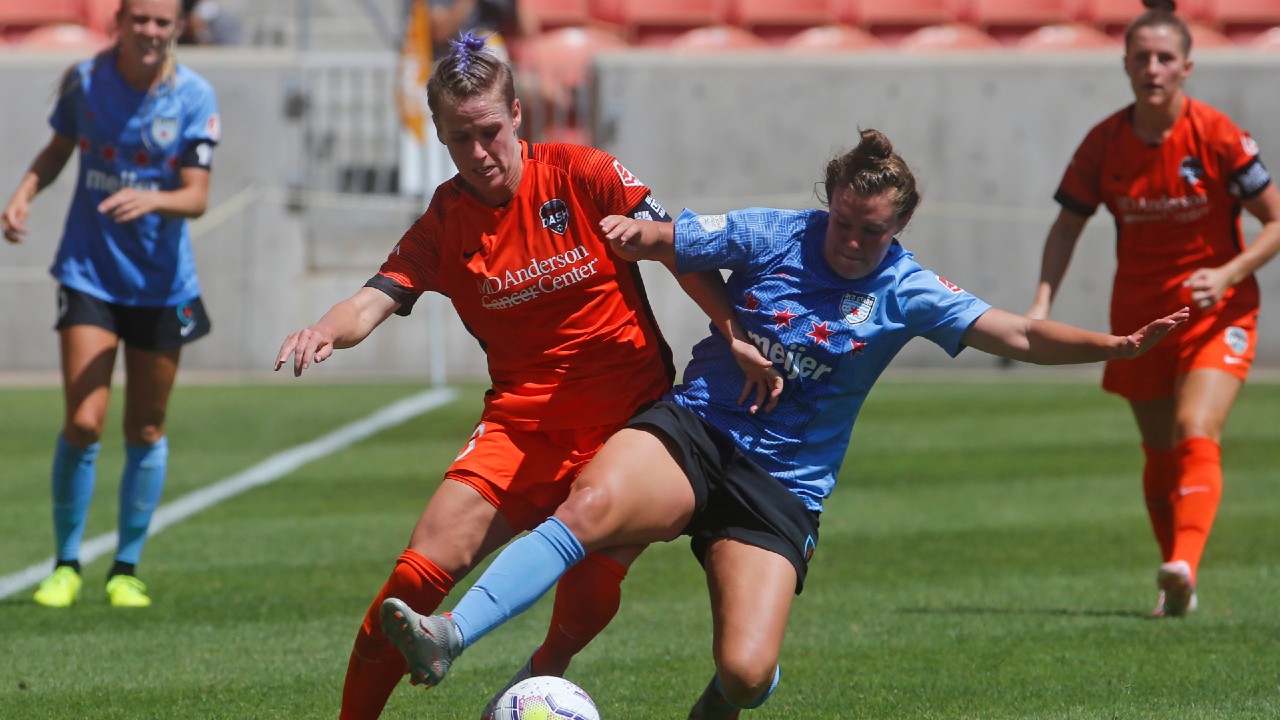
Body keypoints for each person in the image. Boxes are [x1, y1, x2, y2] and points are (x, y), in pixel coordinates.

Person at [377, 128, 1189, 719]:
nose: (852, 240)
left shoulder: (909, 289)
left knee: (743, 670)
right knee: (585, 509)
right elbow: (680, 238)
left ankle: (728, 700)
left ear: (897, 230)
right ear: (827, 203)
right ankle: (450, 635)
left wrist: (1111, 344)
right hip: (696, 434)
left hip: (781, 488)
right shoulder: (775, 233)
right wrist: (638, 234)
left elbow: (1015, 332)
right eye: (843, 220)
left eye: (872, 230)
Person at [273, 33, 773, 720]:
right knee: (414, 577)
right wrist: (326, 329)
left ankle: (544, 670)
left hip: (630, 426)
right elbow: (374, 297)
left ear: (516, 115)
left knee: (595, 569)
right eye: (458, 140)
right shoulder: (446, 222)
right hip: (520, 425)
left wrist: (731, 331)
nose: (478, 153)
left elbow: (677, 251)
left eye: (487, 132)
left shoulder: (583, 174)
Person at [1026, 0, 1280, 618]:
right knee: (1159, 449)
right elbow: (1066, 227)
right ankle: (1177, 581)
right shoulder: (1105, 143)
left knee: (1197, 429)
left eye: (1165, 57)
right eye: (1141, 57)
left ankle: (1184, 562)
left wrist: (1227, 273)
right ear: (1125, 65)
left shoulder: (1218, 134)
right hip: (1139, 321)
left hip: (1219, 313)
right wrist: (1041, 302)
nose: (1153, 67)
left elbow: (1275, 221)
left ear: (1187, 66)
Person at [2, 0, 219, 609]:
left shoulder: (195, 96)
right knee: (83, 421)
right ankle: (66, 563)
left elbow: (197, 196)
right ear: (119, 22)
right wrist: (22, 193)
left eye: (162, 21)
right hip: (89, 274)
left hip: (161, 286)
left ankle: (125, 567)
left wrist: (152, 201)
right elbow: (59, 147)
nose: (150, 31)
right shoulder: (86, 81)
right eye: (140, 19)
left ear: (176, 28)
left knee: (145, 427)